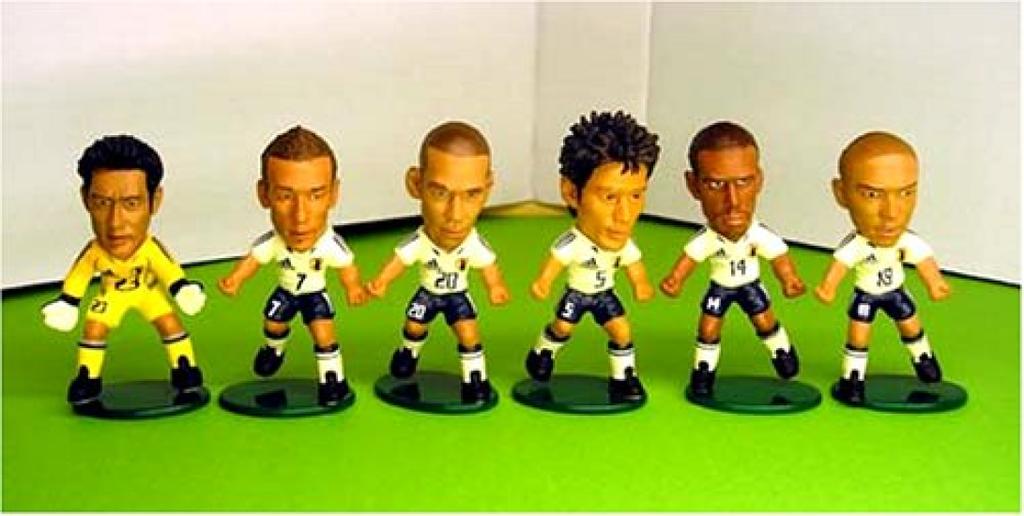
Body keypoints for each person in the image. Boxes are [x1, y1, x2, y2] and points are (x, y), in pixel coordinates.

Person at [41, 135, 207, 406]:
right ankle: (87, 377)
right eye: (102, 203)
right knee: (94, 328)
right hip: (112, 295)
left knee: (169, 324)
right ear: (85, 199)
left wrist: (182, 289)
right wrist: (68, 303)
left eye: (131, 204)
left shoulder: (150, 250)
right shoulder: (94, 253)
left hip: (148, 292)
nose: (115, 223)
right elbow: (79, 276)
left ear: (155, 200)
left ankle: (184, 368)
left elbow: (168, 270)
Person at [218, 126, 367, 406]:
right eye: (285, 196)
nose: (300, 216)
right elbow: (253, 260)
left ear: (334, 194)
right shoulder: (273, 242)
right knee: (273, 323)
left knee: (324, 335)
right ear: (264, 194)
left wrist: (353, 287)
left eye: (316, 195)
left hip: (314, 295)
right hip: (286, 293)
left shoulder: (329, 245)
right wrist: (235, 278)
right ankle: (274, 349)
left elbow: (346, 266)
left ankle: (333, 379)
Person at [366, 121, 510, 404]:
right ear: (415, 184)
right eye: (440, 193)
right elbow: (399, 261)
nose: (455, 215)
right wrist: (382, 281)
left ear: (488, 189)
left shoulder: (473, 244)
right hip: (428, 295)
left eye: (472, 194)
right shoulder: (420, 243)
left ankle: (475, 378)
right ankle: (408, 352)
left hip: (457, 296)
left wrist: (495, 287)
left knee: (469, 335)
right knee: (414, 326)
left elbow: (488, 266)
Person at [660, 121, 805, 396]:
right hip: (721, 288)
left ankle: (781, 351)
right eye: (716, 184)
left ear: (759, 180)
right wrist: (675, 280)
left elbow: (778, 256)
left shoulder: (758, 235)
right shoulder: (707, 239)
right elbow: (689, 260)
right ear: (693, 186)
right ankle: (704, 371)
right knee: (708, 328)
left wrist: (789, 279)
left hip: (750, 285)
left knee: (764, 321)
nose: (733, 200)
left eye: (743, 182)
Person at [525, 110, 659, 402]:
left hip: (604, 295)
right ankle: (544, 351)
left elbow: (634, 264)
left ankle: (624, 377)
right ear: (571, 193)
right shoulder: (573, 243)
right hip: (577, 294)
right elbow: (555, 263)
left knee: (621, 332)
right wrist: (543, 282)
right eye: (609, 197)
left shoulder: (623, 244)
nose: (624, 215)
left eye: (636, 196)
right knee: (563, 326)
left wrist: (641, 284)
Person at [814, 131, 950, 404]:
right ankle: (853, 377)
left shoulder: (907, 241)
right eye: (873, 194)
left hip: (896, 293)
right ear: (841, 194)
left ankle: (924, 359)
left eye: (906, 193)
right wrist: (828, 288)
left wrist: (935, 283)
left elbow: (923, 261)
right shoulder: (856, 246)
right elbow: (840, 266)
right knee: (858, 335)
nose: (891, 213)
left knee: (911, 325)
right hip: (866, 296)